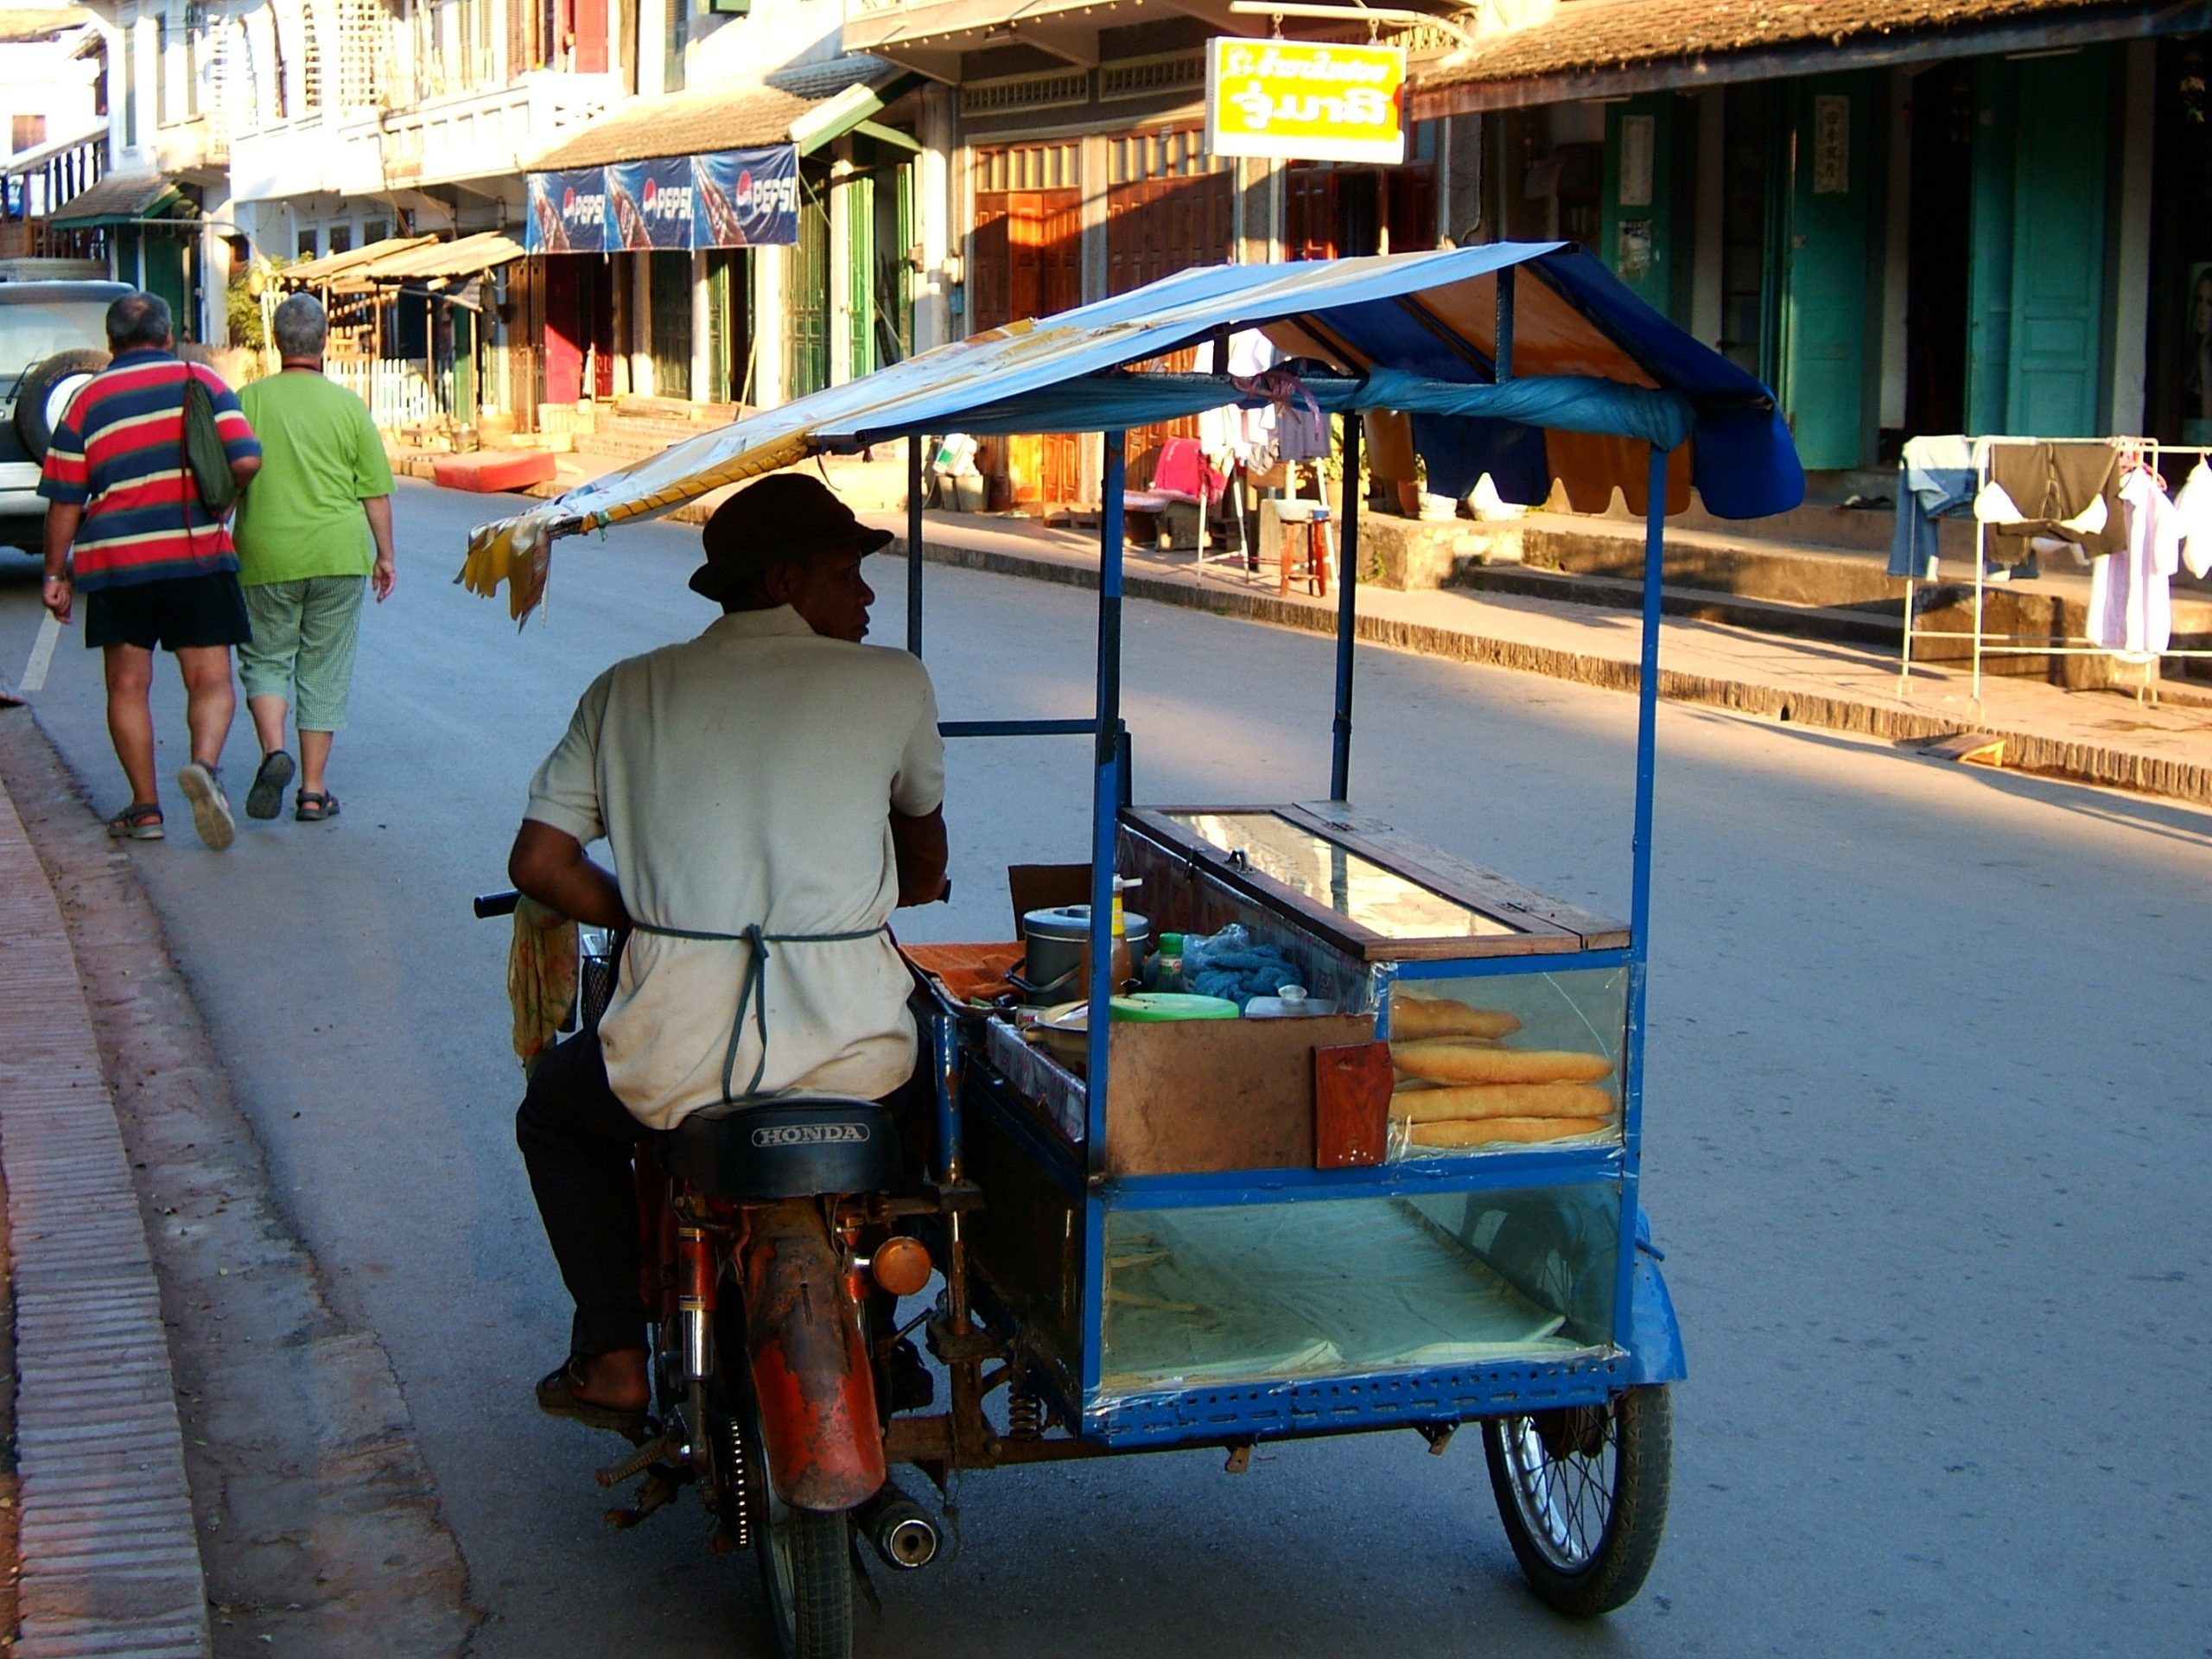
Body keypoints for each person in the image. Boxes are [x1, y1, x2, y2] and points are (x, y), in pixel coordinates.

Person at [506, 473, 949, 1431]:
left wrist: (641, 917)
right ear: (785, 580)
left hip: (669, 1056)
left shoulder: (628, 689)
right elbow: (923, 856)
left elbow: (539, 864)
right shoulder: (894, 682)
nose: (867, 598)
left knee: (556, 1112)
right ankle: (889, 1322)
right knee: (949, 1106)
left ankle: (615, 1353)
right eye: (847, 575)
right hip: (857, 1055)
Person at [39, 292, 262, 849]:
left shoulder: (86, 400)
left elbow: (66, 498)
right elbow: (247, 456)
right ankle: (204, 768)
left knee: (128, 684)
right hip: (195, 553)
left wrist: (53, 574)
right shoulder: (201, 380)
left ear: (110, 344)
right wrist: (224, 500)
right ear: (169, 336)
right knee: (210, 680)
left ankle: (145, 810)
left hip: (117, 559)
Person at [232, 293, 397, 823]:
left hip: (265, 553)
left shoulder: (247, 401)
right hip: (338, 553)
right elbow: (374, 492)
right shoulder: (348, 406)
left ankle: (273, 754)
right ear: (324, 341)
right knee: (323, 668)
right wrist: (386, 556)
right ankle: (312, 791)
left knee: (266, 659)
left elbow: (227, 482)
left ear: (276, 342)